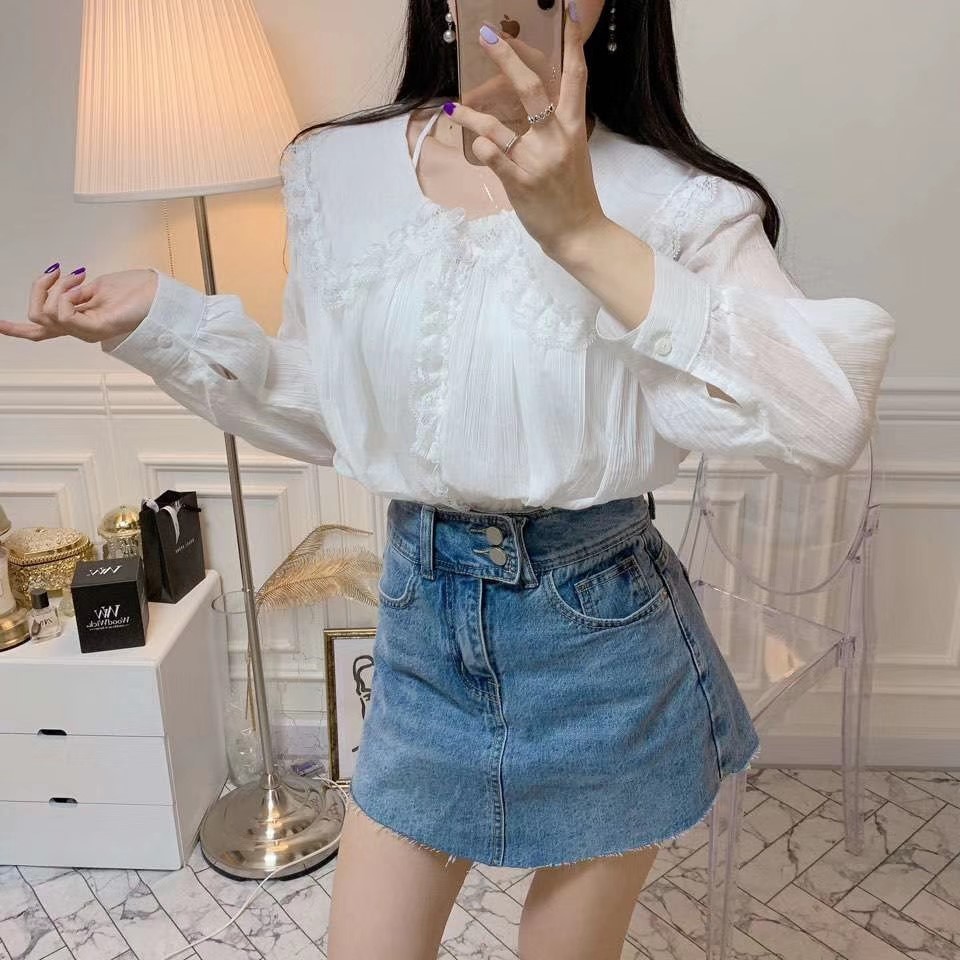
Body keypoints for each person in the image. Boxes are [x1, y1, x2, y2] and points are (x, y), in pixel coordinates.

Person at [2, 1, 896, 957]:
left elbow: (827, 415)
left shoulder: (679, 200)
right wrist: (161, 320)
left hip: (601, 639)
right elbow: (330, 408)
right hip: (422, 631)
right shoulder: (334, 170)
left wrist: (586, 234)